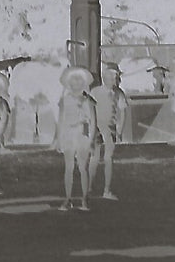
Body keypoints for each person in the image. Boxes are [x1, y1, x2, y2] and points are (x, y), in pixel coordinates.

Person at [53, 66, 97, 212]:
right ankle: (68, 198)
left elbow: (93, 121)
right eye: (73, 80)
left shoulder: (88, 100)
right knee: (69, 168)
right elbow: (60, 120)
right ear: (69, 83)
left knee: (83, 167)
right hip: (68, 134)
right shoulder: (64, 100)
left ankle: (85, 198)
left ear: (84, 83)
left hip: (82, 134)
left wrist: (91, 141)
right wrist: (58, 139)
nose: (76, 83)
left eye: (79, 80)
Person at [90, 62, 130, 200]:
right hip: (96, 127)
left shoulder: (118, 93)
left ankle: (106, 190)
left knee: (108, 158)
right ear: (104, 77)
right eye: (111, 77)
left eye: (116, 78)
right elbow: (89, 110)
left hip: (110, 128)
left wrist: (120, 129)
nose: (113, 81)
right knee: (94, 157)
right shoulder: (95, 91)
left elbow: (123, 112)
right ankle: (89, 187)